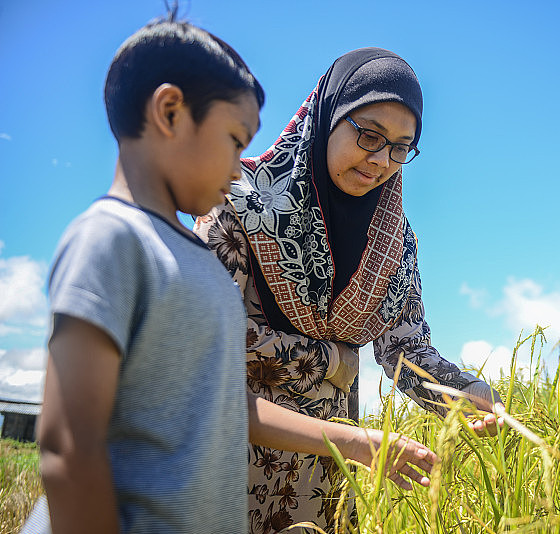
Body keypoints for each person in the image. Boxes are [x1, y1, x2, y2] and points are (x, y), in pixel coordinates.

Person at [26, 17, 436, 534]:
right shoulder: (112, 240)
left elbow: (221, 404)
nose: (243, 167)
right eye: (233, 139)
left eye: (401, 148)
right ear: (170, 112)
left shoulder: (194, 262)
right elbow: (68, 445)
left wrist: (356, 440)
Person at [194, 47, 502, 533]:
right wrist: (333, 370)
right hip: (228, 456)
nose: (381, 160)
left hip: (321, 480)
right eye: (369, 135)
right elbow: (201, 364)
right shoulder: (236, 201)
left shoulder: (393, 242)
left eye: (402, 147)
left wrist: (466, 394)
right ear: (327, 117)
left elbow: (406, 351)